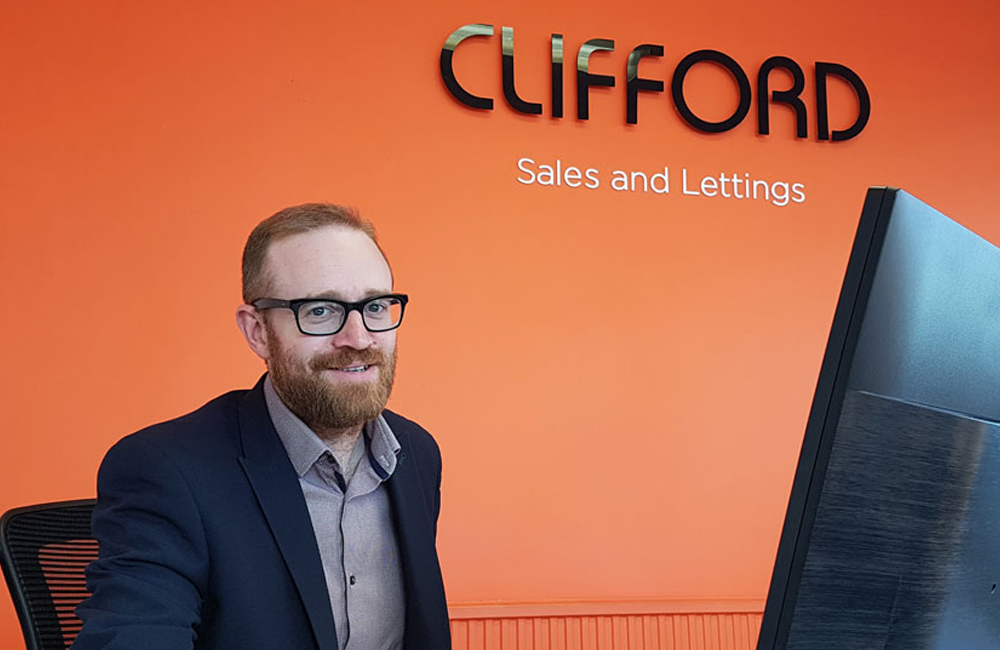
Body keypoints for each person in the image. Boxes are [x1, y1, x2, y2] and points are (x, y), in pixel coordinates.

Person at [72, 203, 450, 650]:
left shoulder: (416, 453)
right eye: (320, 311)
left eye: (375, 305)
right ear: (257, 331)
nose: (359, 337)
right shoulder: (162, 470)